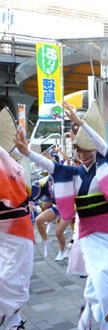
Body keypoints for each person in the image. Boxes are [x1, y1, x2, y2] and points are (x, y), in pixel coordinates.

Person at [15, 102, 108, 330]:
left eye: (86, 149)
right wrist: (28, 154)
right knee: (99, 274)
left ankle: (88, 315)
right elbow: (52, 166)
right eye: (78, 150)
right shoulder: (73, 173)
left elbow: (104, 147)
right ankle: (95, 323)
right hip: (88, 233)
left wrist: (80, 123)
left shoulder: (105, 164)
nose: (81, 154)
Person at [0, 108, 34, 330]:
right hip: (8, 227)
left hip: (16, 227)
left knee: (10, 278)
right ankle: (13, 320)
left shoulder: (10, 162)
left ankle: (12, 319)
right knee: (11, 277)